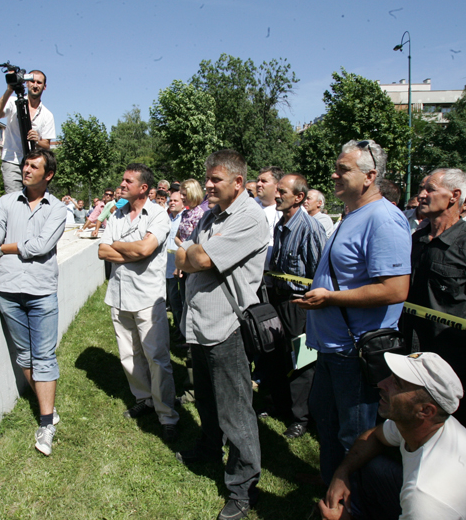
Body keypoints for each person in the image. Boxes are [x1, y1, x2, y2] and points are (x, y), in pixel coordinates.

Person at [295, 140, 411, 486]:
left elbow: (395, 290)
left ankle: (355, 503)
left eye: (343, 169)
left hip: (355, 352)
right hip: (333, 348)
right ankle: (332, 485)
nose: (334, 174)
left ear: (370, 176)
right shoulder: (352, 215)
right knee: (328, 426)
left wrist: (330, 298)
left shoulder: (384, 218)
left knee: (355, 436)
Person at [175, 149, 268, 520]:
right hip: (200, 324)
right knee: (208, 400)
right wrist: (188, 254)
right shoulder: (213, 216)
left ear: (238, 182)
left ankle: (243, 488)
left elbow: (197, 259)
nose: (208, 185)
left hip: (226, 326)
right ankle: (209, 447)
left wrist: (187, 255)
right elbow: (187, 252)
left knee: (236, 410)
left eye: (215, 180)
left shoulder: (249, 218)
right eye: (207, 178)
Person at [319, 352, 466, 520]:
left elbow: (424, 500)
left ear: (426, 411)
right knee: (371, 466)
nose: (381, 384)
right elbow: (374, 436)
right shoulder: (424, 424)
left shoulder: (425, 496)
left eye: (397, 383)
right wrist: (342, 473)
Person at [0, 148, 66, 456]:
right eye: (25, 164)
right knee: (25, 355)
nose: (26, 169)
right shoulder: (5, 202)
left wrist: (3, 249)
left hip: (41, 291)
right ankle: (48, 409)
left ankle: (46, 423)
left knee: (44, 355)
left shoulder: (57, 208)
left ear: (48, 175)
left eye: (34, 166)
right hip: (7, 290)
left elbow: (41, 245)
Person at [400, 169, 466, 425]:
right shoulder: (418, 240)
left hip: (455, 363)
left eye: (430, 189)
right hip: (413, 355)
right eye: (421, 188)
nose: (421, 195)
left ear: (454, 196)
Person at [98, 163, 179, 442]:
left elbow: (146, 249)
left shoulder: (158, 216)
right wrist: (131, 250)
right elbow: (101, 250)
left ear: (143, 188)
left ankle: (167, 414)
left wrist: (120, 245)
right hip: (119, 295)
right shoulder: (117, 213)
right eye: (122, 180)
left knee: (157, 358)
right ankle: (144, 399)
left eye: (127, 181)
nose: (121, 184)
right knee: (128, 354)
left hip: (147, 298)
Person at [265, 173, 325, 439]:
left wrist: (310, 302)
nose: (277, 195)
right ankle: (280, 405)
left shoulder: (310, 228)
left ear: (299, 197)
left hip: (299, 303)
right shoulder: (280, 224)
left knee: (301, 361)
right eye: (276, 190)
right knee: (276, 354)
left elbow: (318, 271)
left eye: (283, 192)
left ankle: (301, 417)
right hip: (277, 299)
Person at [0, 66, 55, 194]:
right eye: (32, 81)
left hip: (34, 162)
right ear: (26, 83)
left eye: (39, 82)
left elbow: (46, 145)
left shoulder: (47, 115)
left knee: (35, 199)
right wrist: (9, 89)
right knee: (15, 199)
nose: (35, 85)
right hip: (12, 160)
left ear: (44, 86)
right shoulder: (13, 102)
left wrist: (37, 140)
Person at [255, 166, 284, 269]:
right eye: (258, 180)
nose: (258, 184)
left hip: (275, 273)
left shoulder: (287, 211)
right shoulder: (250, 206)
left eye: (264, 181)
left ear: (277, 186)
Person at [166, 189, 185, 340]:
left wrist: (179, 266)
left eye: (175, 200)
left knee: (179, 300)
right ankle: (179, 328)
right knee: (172, 300)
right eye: (170, 200)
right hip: (167, 263)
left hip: (179, 264)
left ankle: (183, 331)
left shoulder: (184, 218)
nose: (172, 203)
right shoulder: (168, 218)